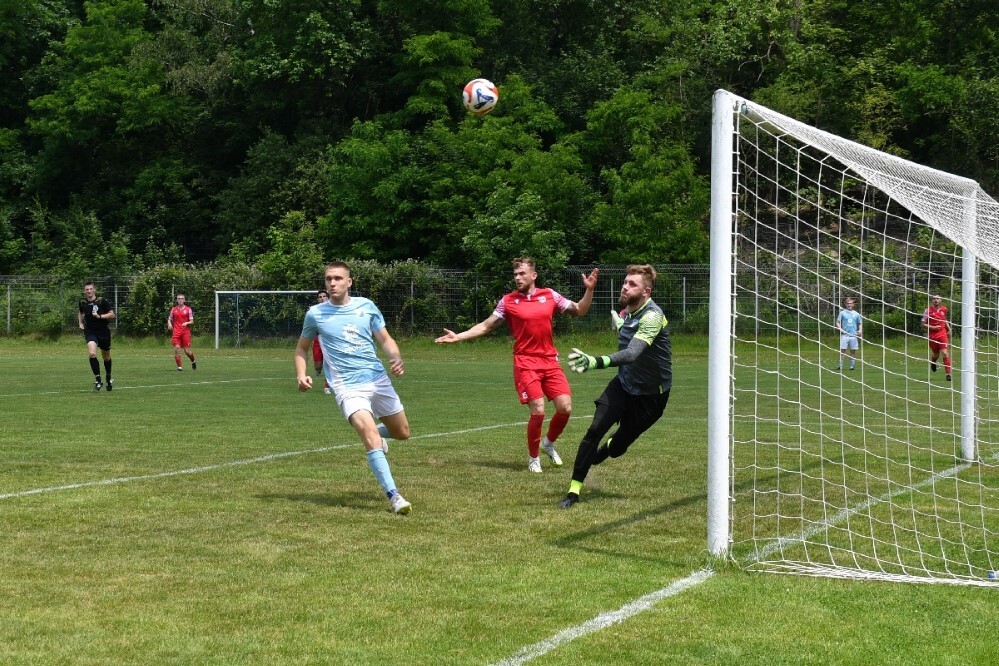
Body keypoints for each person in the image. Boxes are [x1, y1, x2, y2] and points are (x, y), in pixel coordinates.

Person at [435, 258, 599, 473]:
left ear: (533, 275)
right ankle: (533, 459)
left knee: (565, 408)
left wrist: (589, 290)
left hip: (549, 361)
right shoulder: (508, 301)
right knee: (538, 411)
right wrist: (459, 337)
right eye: (515, 274)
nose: (518, 278)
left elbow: (579, 310)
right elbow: (486, 326)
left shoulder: (550, 295)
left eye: (522, 273)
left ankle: (548, 443)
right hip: (525, 362)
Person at [294, 261, 414, 514]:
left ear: (349, 282)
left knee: (402, 432)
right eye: (328, 279)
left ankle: (380, 434)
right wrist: (301, 374)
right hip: (347, 386)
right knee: (369, 436)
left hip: (377, 378)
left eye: (338, 278)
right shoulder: (316, 313)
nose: (332, 283)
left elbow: (385, 339)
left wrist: (396, 357)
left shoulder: (366, 306)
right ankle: (395, 497)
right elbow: (302, 348)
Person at [558, 265, 672, 509]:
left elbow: (631, 353)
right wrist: (621, 325)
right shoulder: (628, 312)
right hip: (623, 384)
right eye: (625, 281)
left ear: (646, 292)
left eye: (632, 284)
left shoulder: (653, 317)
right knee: (594, 429)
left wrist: (594, 361)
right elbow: (629, 339)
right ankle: (573, 490)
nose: (625, 286)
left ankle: (608, 448)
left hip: (652, 397)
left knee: (618, 447)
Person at [78, 281, 115, 392]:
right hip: (90, 332)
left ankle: (108, 377)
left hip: (103, 332)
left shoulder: (101, 301)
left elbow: (112, 314)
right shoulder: (82, 302)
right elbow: (80, 312)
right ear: (85, 291)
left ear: (94, 290)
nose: (89, 291)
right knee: (92, 353)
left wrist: (99, 316)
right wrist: (80, 323)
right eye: (87, 289)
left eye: (90, 289)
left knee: (106, 357)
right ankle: (98, 380)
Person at [921, 294, 952, 381]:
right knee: (936, 354)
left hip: (942, 333)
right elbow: (923, 324)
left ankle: (948, 374)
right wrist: (933, 327)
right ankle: (933, 362)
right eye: (934, 299)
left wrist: (949, 329)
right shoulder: (927, 311)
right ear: (932, 301)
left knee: (945, 353)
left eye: (938, 298)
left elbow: (944, 320)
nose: (936, 300)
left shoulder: (944, 309)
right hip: (932, 335)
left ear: (941, 300)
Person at [167, 294, 197, 371]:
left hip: (185, 332)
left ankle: (193, 361)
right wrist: (169, 324)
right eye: (179, 298)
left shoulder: (188, 309)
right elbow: (169, 318)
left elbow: (192, 321)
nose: (180, 300)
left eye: (182, 298)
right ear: (177, 300)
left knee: (187, 351)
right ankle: (179, 367)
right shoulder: (173, 309)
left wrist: (187, 323)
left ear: (184, 300)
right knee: (177, 348)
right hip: (176, 332)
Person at [312, 290, 332, 395]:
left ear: (328, 298)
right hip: (317, 340)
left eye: (324, 296)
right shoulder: (314, 311)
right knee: (318, 366)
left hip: (330, 341)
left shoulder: (333, 310)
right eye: (320, 297)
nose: (322, 298)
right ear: (318, 299)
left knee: (328, 364)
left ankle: (327, 386)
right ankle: (318, 370)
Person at [835, 297, 862, 371]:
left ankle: (852, 366)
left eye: (851, 303)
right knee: (842, 351)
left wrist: (860, 330)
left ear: (853, 304)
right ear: (845, 304)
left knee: (853, 351)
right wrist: (840, 329)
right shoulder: (842, 313)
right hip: (845, 335)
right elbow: (837, 322)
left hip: (853, 335)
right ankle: (840, 366)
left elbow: (860, 323)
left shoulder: (856, 314)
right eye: (848, 303)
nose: (849, 305)